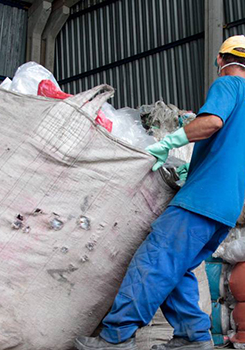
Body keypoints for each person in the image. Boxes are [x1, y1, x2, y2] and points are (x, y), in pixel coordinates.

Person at [74, 35, 245, 350]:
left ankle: (116, 338)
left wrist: (167, 142)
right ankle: (194, 338)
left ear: (221, 60)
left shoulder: (229, 85)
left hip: (202, 200)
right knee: (176, 271)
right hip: (226, 208)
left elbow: (211, 122)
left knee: (154, 261)